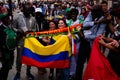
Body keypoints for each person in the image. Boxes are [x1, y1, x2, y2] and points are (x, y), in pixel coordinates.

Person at [75, 5, 107, 80]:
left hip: (92, 45)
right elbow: (85, 24)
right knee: (80, 63)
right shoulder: (91, 14)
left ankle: (90, 78)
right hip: (84, 43)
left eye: (94, 13)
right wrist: (96, 22)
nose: (91, 14)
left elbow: (97, 35)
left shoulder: (103, 20)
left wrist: (86, 36)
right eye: (91, 12)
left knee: (91, 63)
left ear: (99, 12)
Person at [13, 3, 37, 80]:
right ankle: (18, 72)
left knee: (29, 56)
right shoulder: (17, 17)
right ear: (23, 10)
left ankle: (28, 71)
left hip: (30, 41)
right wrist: (19, 31)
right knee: (19, 57)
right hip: (20, 40)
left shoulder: (33, 18)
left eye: (29, 10)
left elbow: (35, 29)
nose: (28, 11)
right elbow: (13, 28)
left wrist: (30, 31)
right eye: (26, 10)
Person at [99, 8, 120, 77]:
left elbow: (118, 49)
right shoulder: (117, 26)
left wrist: (104, 44)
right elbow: (115, 35)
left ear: (117, 18)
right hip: (112, 58)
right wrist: (104, 38)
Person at [0, 13, 16, 80]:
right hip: (3, 54)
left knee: (7, 69)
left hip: (10, 52)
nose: (9, 20)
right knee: (3, 70)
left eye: (9, 18)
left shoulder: (10, 27)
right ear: (3, 20)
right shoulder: (0, 29)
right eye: (7, 19)